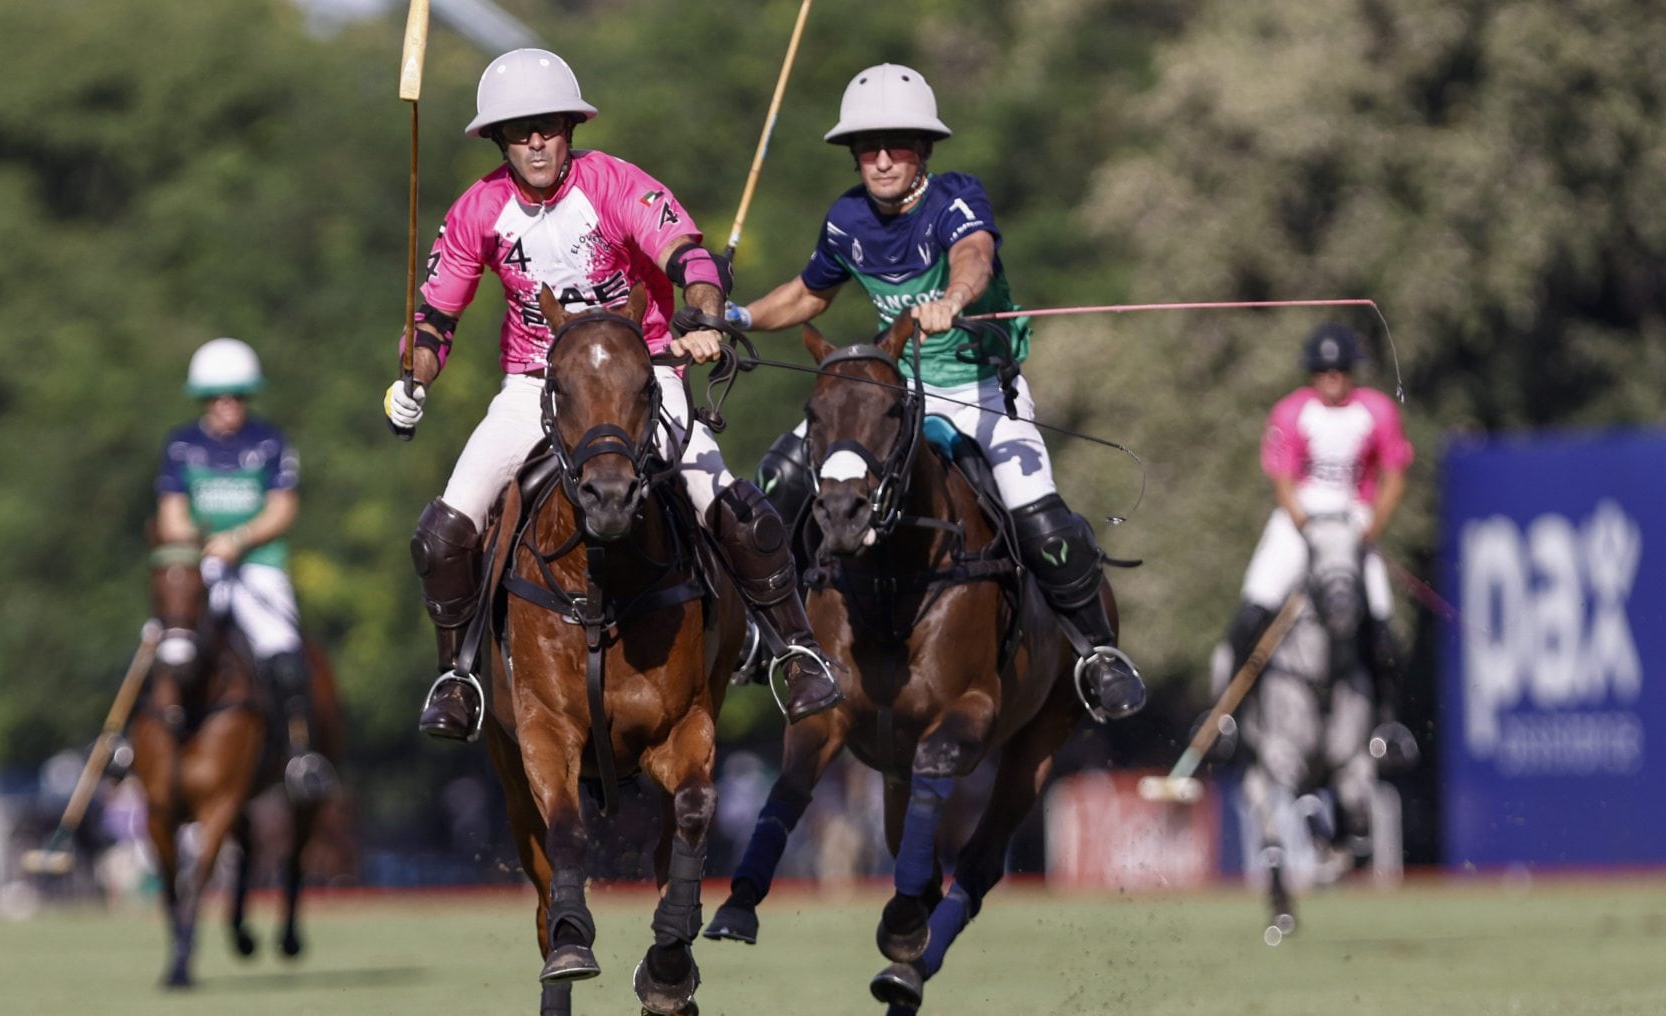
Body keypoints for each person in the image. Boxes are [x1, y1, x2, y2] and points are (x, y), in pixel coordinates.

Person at [383, 48, 841, 742]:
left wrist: (705, 317)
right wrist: (413, 378)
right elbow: (434, 321)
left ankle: (795, 651)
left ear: (570, 127)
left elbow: (692, 260)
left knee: (730, 504)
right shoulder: (479, 209)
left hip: (640, 375)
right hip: (538, 384)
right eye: (519, 131)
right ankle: (457, 677)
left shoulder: (617, 185)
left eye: (548, 126)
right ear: (500, 140)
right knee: (442, 533)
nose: (536, 142)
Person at [724, 64, 1146, 721]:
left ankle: (1098, 651)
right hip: (894, 396)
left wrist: (953, 297)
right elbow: (810, 293)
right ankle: (759, 631)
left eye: (896, 146)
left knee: (1039, 516)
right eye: (868, 147)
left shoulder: (956, 199)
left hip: (980, 390)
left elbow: (973, 254)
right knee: (778, 479)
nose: (882, 160)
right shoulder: (847, 217)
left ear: (922, 150)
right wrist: (740, 316)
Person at [1220, 321, 1417, 762]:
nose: (1333, 378)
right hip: (1299, 522)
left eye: (1341, 369)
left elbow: (1394, 475)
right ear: (1312, 373)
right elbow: (1283, 479)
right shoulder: (1291, 412)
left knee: (1382, 625)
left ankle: (1387, 728)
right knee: (1253, 611)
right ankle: (1228, 720)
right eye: (1325, 370)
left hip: (1354, 523)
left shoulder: (1378, 411)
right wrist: (1306, 527)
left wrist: (1371, 528)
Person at [155, 337, 335, 800]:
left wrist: (238, 539)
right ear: (203, 400)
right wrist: (202, 543)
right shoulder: (182, 445)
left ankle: (300, 754)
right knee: (158, 643)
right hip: (199, 569)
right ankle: (121, 744)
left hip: (259, 566)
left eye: (236, 396)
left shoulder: (269, 442)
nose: (227, 405)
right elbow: (171, 516)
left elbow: (282, 508)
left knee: (283, 648)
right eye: (217, 396)